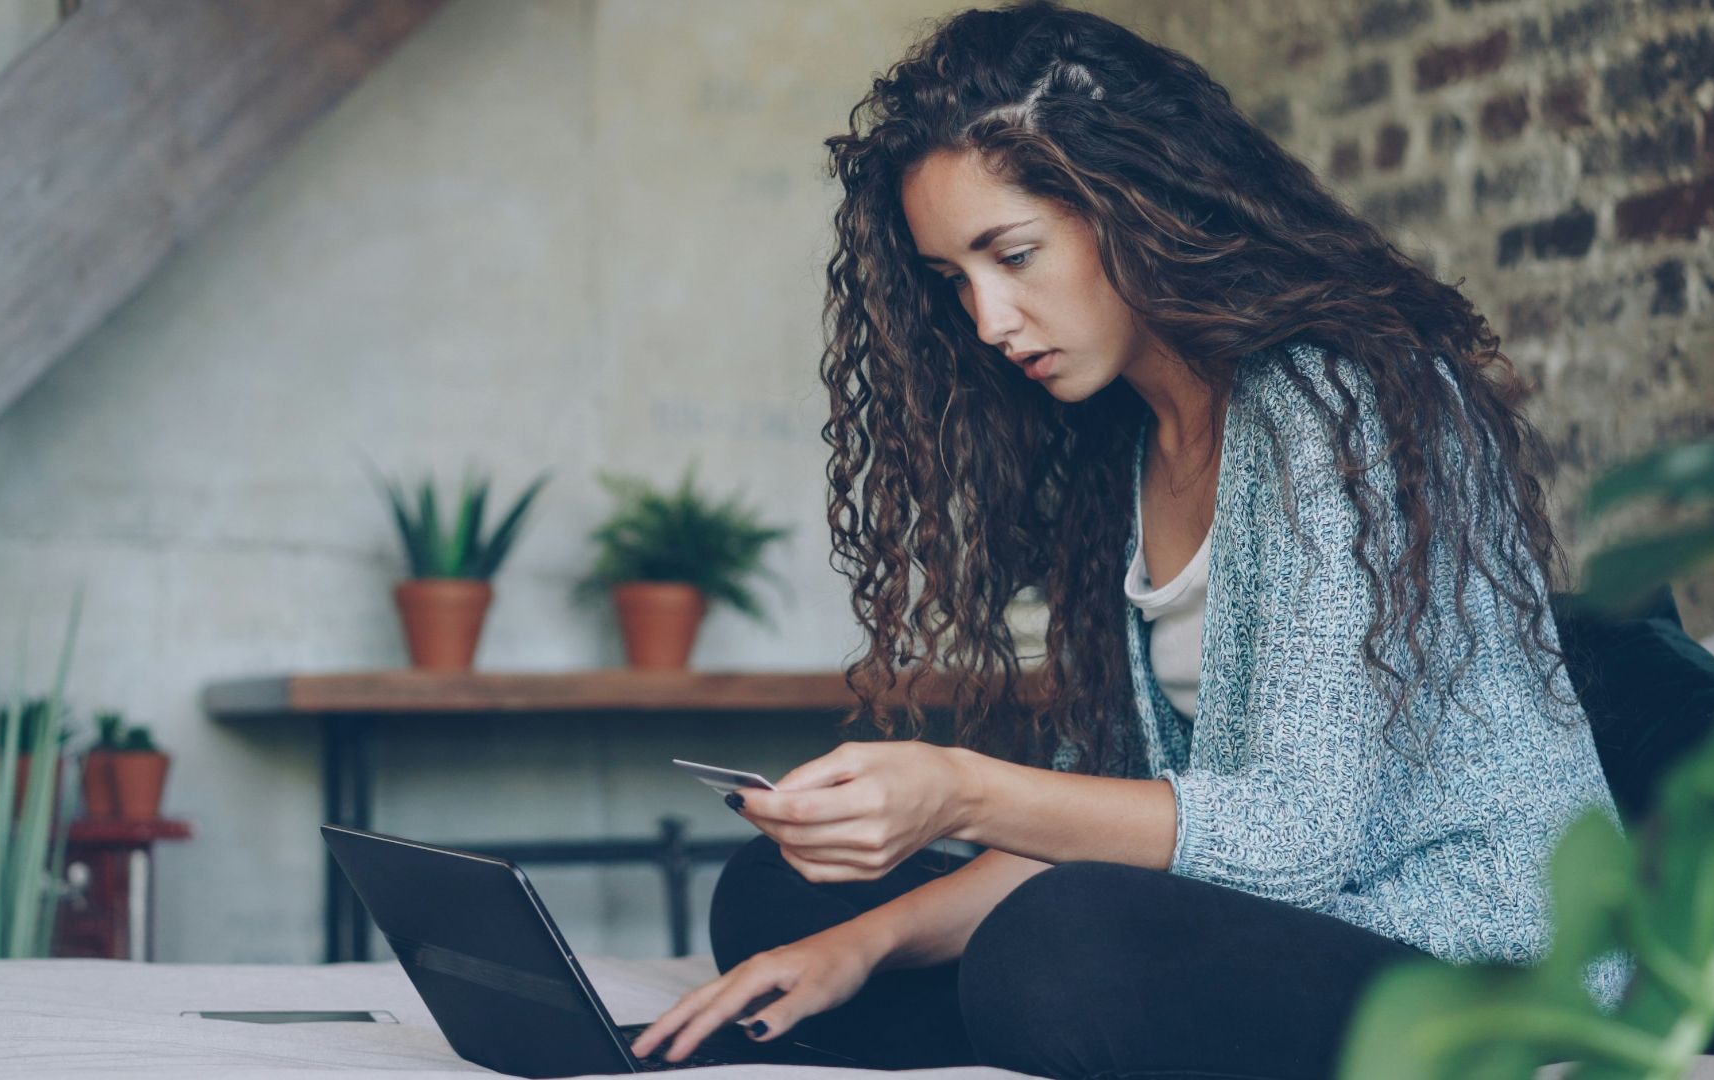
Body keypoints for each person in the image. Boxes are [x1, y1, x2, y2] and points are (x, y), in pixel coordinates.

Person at [629, 2, 1628, 1076]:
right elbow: (1111, 826)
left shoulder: (1341, 405)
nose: (989, 320)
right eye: (955, 280)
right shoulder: (1125, 446)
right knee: (781, 905)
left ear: (1134, 203)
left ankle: (1013, 1008)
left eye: (1013, 255)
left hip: (1478, 959)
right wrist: (861, 943)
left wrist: (960, 789)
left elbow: (1296, 842)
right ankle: (927, 994)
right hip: (1264, 933)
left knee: (1058, 952)